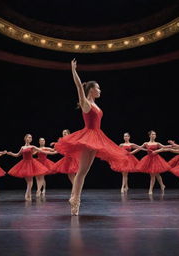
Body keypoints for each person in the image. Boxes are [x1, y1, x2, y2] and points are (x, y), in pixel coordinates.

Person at [55, 59, 131, 215]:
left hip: (97, 137)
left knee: (83, 172)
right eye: (98, 88)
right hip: (88, 136)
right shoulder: (86, 104)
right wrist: (73, 71)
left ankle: (74, 198)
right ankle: (75, 200)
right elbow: (78, 86)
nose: (100, 91)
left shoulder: (96, 105)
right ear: (91, 90)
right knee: (81, 171)